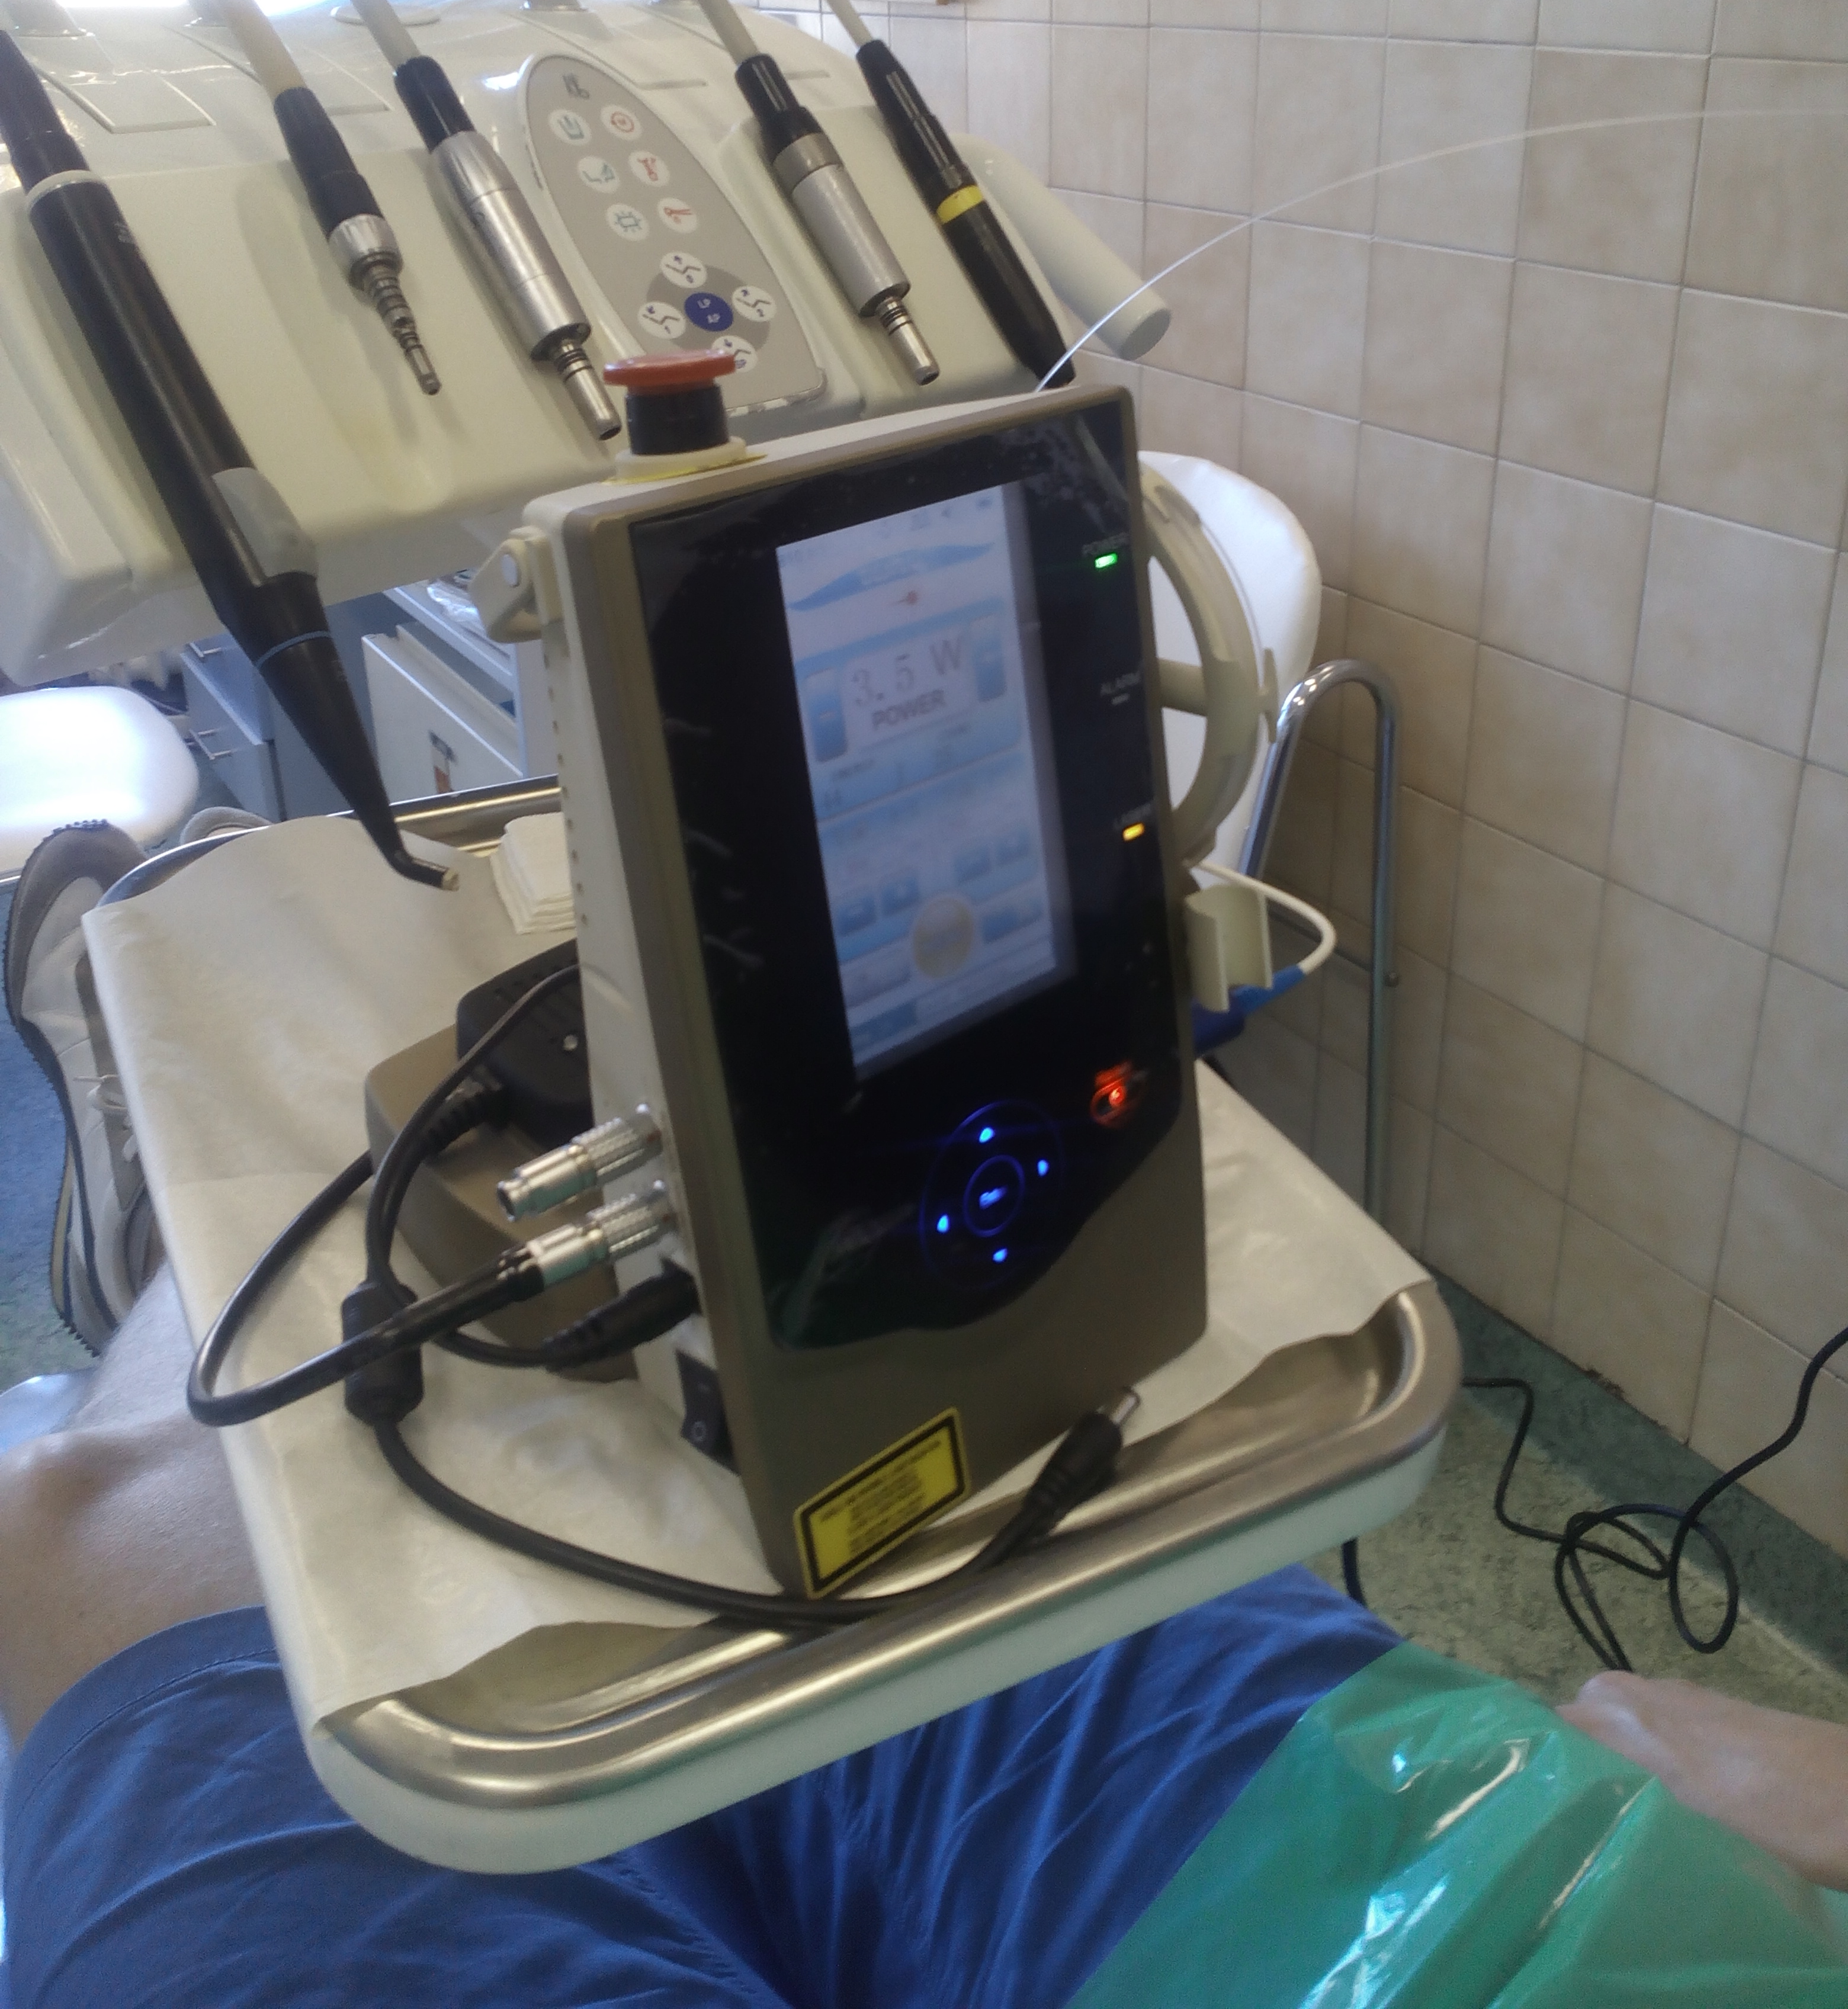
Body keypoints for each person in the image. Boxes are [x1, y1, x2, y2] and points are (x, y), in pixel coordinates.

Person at [3, 824, 1846, 2007]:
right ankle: (232, 1192)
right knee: (739, 1551)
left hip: (1459, 1899)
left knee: (93, 1521)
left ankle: (182, 1204)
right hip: (1481, 1887)